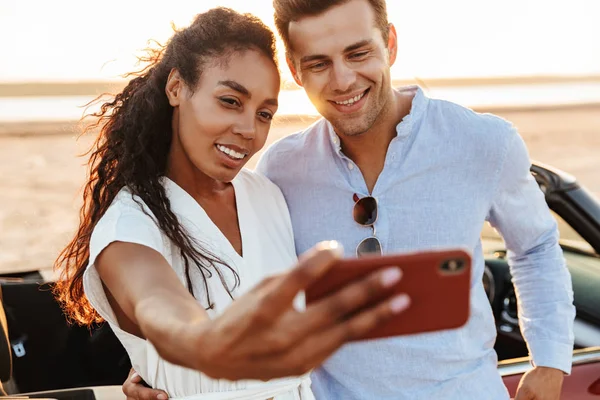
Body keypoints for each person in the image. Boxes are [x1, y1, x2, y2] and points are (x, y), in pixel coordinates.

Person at [126, 0, 575, 399]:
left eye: (358, 53)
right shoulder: (280, 169)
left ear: (390, 44)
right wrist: (161, 365)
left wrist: (551, 360)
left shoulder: (484, 143)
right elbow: (238, 281)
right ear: (295, 70)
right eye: (318, 63)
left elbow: (534, 247)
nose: (343, 80)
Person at [53, 7, 412, 400]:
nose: (248, 130)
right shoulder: (130, 224)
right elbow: (157, 305)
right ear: (176, 87)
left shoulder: (268, 195)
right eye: (229, 101)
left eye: (264, 114)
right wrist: (200, 341)